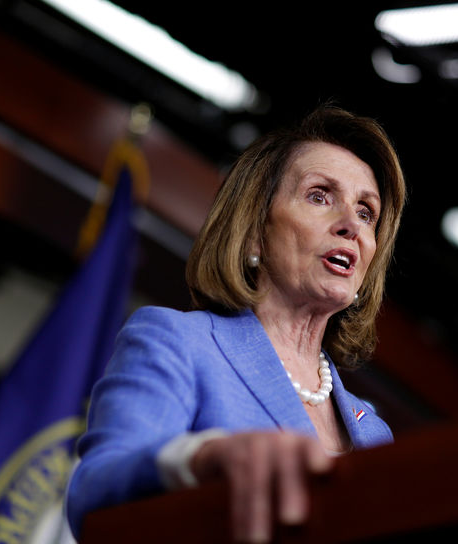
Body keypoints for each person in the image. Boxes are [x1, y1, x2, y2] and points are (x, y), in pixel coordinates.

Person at [65, 104, 407, 542]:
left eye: (366, 212)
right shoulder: (178, 343)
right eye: (319, 195)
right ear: (253, 232)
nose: (350, 226)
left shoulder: (374, 431)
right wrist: (198, 458)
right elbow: (93, 494)